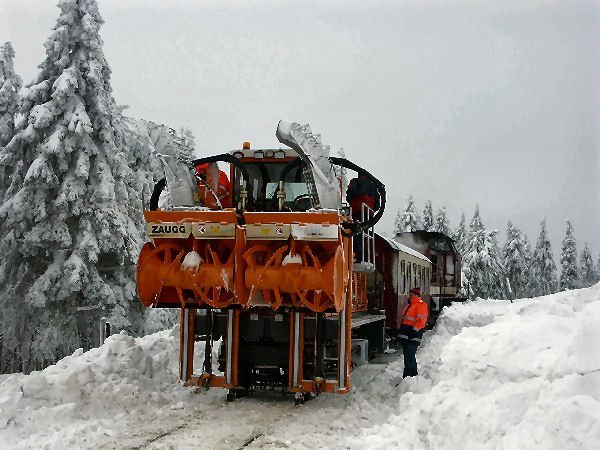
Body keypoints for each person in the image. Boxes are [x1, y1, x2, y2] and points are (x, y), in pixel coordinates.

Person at [345, 174, 380, 262]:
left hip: (357, 211)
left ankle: (357, 255)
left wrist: (353, 203)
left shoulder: (355, 182)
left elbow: (348, 195)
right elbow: (377, 205)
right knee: (365, 235)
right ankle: (364, 256)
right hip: (369, 215)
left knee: (355, 232)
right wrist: (371, 210)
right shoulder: (374, 187)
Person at [397, 287, 429, 378]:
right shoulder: (410, 305)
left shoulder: (420, 305)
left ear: (416, 295)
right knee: (408, 356)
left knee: (409, 356)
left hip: (413, 335)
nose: (409, 296)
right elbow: (406, 320)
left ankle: (409, 377)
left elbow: (421, 322)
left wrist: (413, 332)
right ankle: (411, 377)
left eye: (411, 294)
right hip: (408, 335)